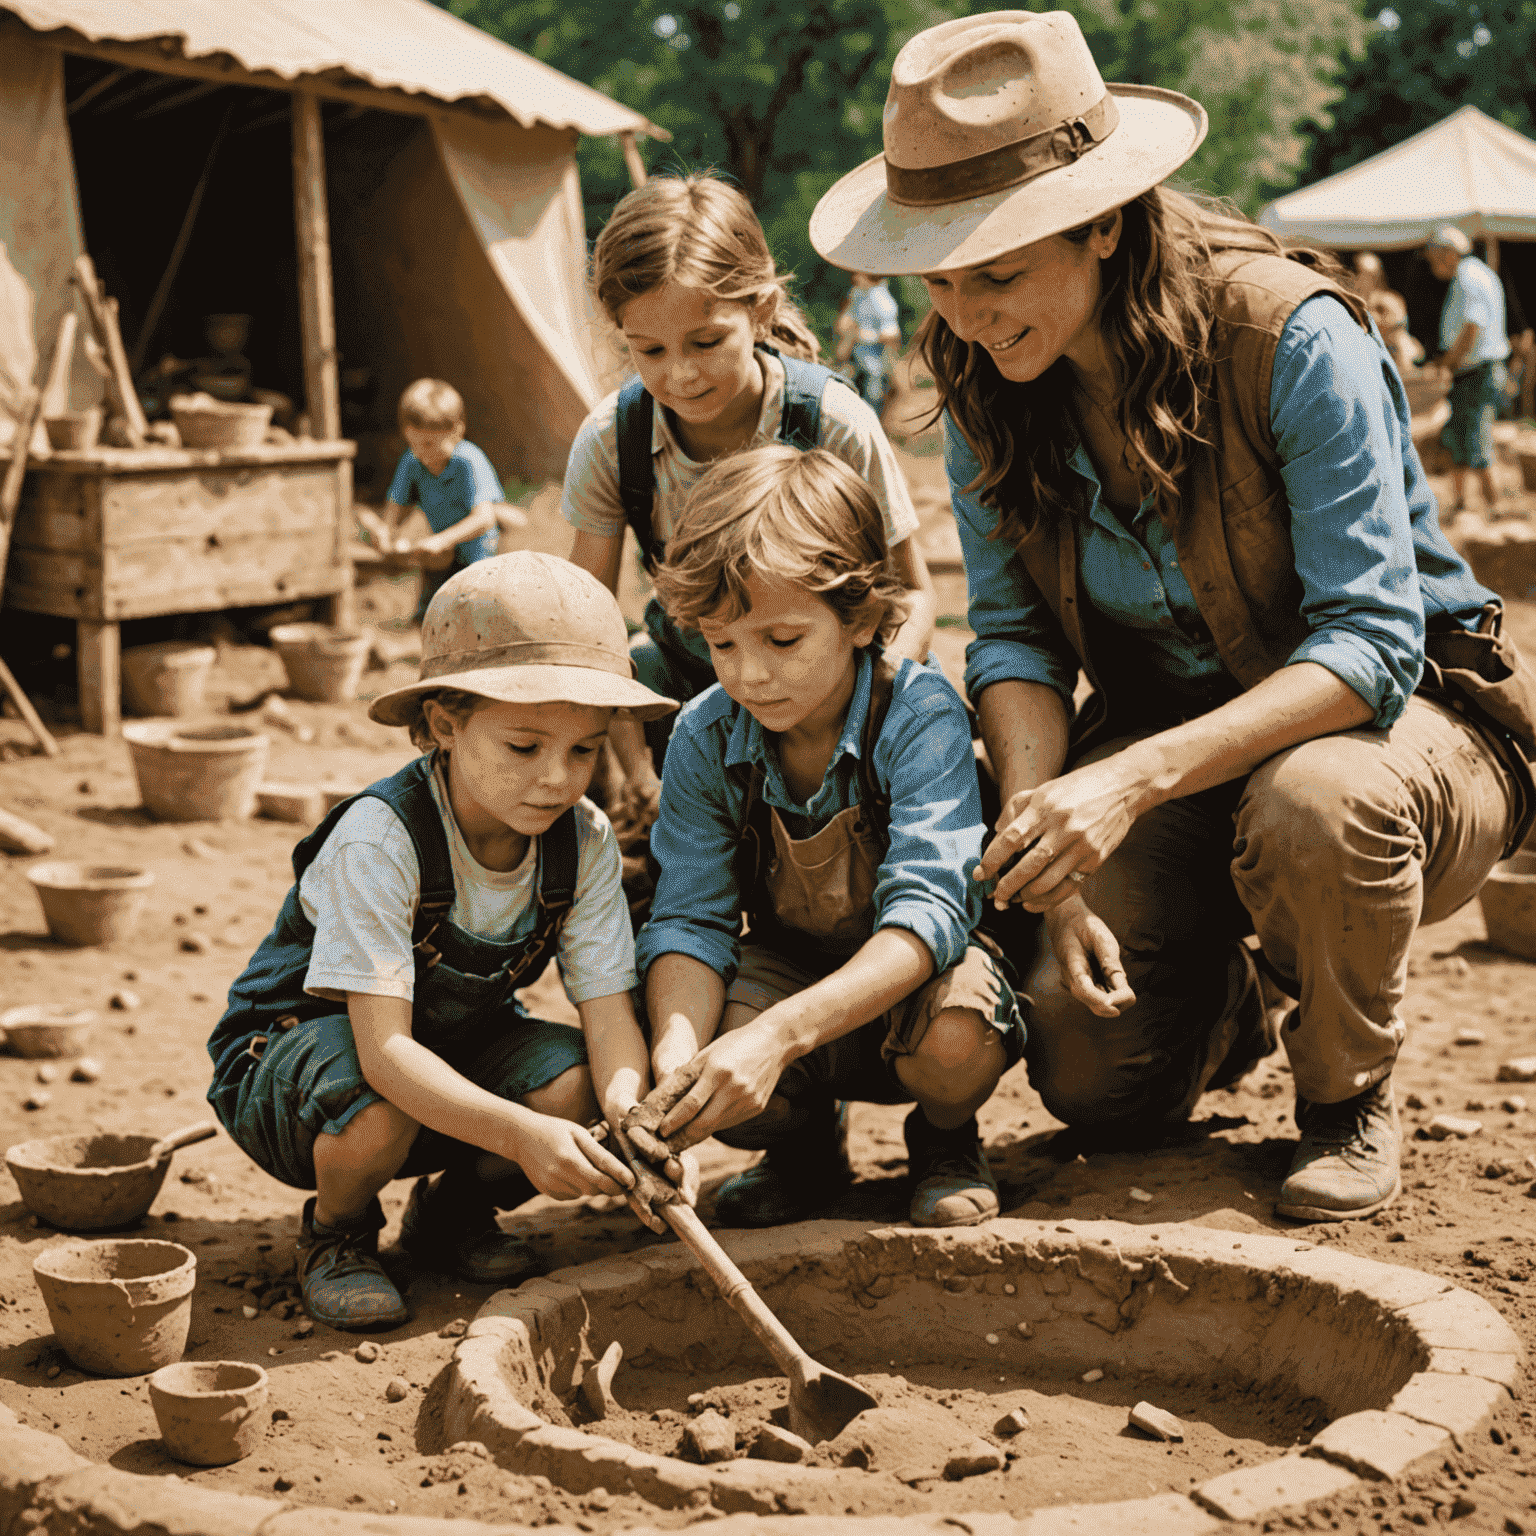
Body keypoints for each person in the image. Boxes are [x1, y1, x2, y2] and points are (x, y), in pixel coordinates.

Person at [808, 10, 1535, 1223]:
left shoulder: (1290, 335)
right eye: (937, 274)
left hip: (1396, 740)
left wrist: (1129, 782)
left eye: (996, 270)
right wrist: (1057, 851)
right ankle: (1228, 994)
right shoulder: (983, 376)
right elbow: (1014, 639)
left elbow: (1369, 645)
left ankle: (1345, 1087)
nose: (968, 312)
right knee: (1098, 1091)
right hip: (1172, 765)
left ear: (1099, 220)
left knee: (1315, 804)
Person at [206, 553, 690, 1330]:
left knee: (577, 1089)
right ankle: (338, 1234)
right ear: (443, 724)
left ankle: (450, 1215)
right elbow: (385, 1053)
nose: (558, 781)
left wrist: (632, 1118)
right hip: (304, 1063)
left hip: (449, 1047)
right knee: (378, 1111)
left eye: (584, 750)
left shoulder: (585, 841)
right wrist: (523, 1136)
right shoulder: (383, 838)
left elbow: (608, 1016)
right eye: (524, 747)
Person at [621, 445, 1026, 1230]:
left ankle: (944, 1138)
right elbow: (690, 920)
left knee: (956, 1036)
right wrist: (678, 1067)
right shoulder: (705, 734)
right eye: (722, 643)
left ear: (864, 619)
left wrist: (776, 1037)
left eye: (782, 640)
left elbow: (928, 917)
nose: (749, 675)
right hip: (790, 966)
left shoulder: (918, 715)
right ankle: (804, 1152)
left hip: (913, 977)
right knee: (696, 1053)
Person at [563, 174, 937, 823]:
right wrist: (637, 770)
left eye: (706, 342)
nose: (679, 373)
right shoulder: (612, 443)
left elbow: (913, 594)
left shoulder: (831, 423)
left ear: (759, 310)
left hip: (826, 681)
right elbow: (584, 634)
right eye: (647, 350)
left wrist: (863, 723)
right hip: (690, 678)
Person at [358, 379, 506, 623]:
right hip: (438, 556)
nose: (422, 454)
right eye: (414, 445)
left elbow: (484, 518)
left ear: (456, 431)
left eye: (429, 444)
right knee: (431, 614)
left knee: (473, 614)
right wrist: (385, 532)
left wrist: (442, 540)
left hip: (476, 553)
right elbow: (397, 505)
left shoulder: (468, 461)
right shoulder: (413, 460)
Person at [1424, 227, 1511, 513]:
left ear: (1448, 253)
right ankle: (1462, 504)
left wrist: (1446, 364)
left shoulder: (1468, 278)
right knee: (1461, 436)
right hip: (1475, 371)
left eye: (1434, 257)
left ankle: (1495, 507)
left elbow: (1472, 329)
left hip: (1477, 372)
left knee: (1476, 438)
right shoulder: (1474, 273)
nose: (1432, 263)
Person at [846, 272, 904, 416]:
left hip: (874, 366)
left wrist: (867, 336)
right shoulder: (858, 294)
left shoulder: (882, 301)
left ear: (868, 277)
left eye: (858, 274)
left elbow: (893, 333)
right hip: (856, 358)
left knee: (871, 399)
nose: (854, 277)